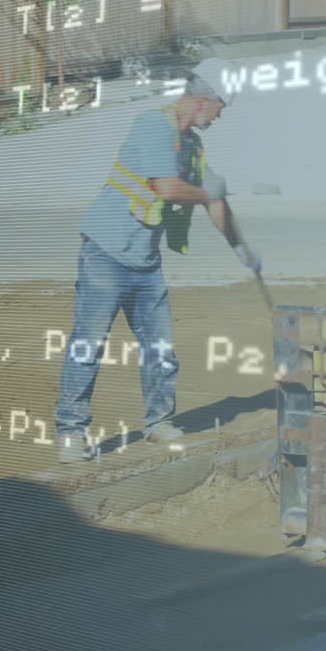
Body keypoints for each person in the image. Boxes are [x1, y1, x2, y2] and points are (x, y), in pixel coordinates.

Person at [54, 58, 263, 464]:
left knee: (160, 347)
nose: (220, 116)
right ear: (205, 99)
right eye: (221, 107)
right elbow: (167, 188)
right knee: (89, 344)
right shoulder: (154, 126)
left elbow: (214, 201)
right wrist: (209, 192)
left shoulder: (192, 147)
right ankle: (71, 431)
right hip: (106, 253)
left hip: (144, 260)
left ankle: (158, 422)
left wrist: (242, 251)